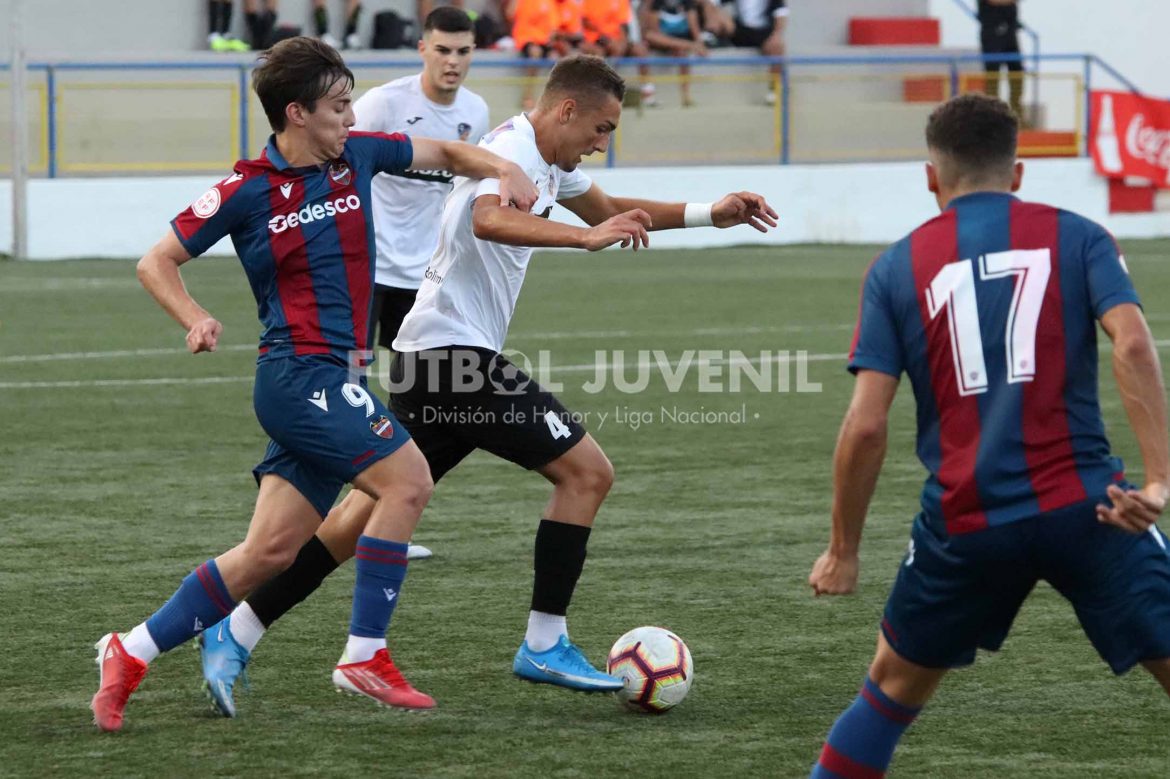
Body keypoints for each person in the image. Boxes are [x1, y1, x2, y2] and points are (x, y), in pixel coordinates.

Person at [199, 54, 778, 718]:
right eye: (601, 127)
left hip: (428, 358)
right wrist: (584, 239)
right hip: (451, 357)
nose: (602, 141)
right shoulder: (511, 149)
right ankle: (543, 640)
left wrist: (713, 212)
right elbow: (488, 218)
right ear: (566, 110)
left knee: (352, 523)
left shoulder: (549, 158)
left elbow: (615, 208)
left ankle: (237, 627)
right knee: (587, 472)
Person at [90, 36, 537, 732]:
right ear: (296, 113)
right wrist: (196, 315)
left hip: (335, 377)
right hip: (297, 378)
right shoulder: (243, 192)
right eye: (337, 106)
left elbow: (449, 154)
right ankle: (365, 653)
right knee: (409, 479)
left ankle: (130, 648)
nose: (350, 117)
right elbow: (157, 262)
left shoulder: (355, 154)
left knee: (269, 552)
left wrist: (502, 165)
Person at [807, 93, 1170, 777]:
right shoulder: (1081, 235)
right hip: (1091, 508)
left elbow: (866, 425)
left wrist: (843, 549)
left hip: (966, 519)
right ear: (1019, 172)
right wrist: (1157, 480)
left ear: (930, 177)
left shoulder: (894, 268)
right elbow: (1135, 348)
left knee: (888, 690)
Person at [638, 0, 706, 107]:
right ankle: (648, 94)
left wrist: (700, 44)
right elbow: (653, 32)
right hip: (663, 41)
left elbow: (695, 29)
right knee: (649, 37)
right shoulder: (655, 3)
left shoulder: (688, 3)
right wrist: (676, 45)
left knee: (682, 53)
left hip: (681, 41)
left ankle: (686, 96)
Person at [979, 0, 1024, 120]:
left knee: (1017, 69)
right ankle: (992, 113)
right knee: (993, 72)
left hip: (1010, 30)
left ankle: (1016, 110)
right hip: (991, 30)